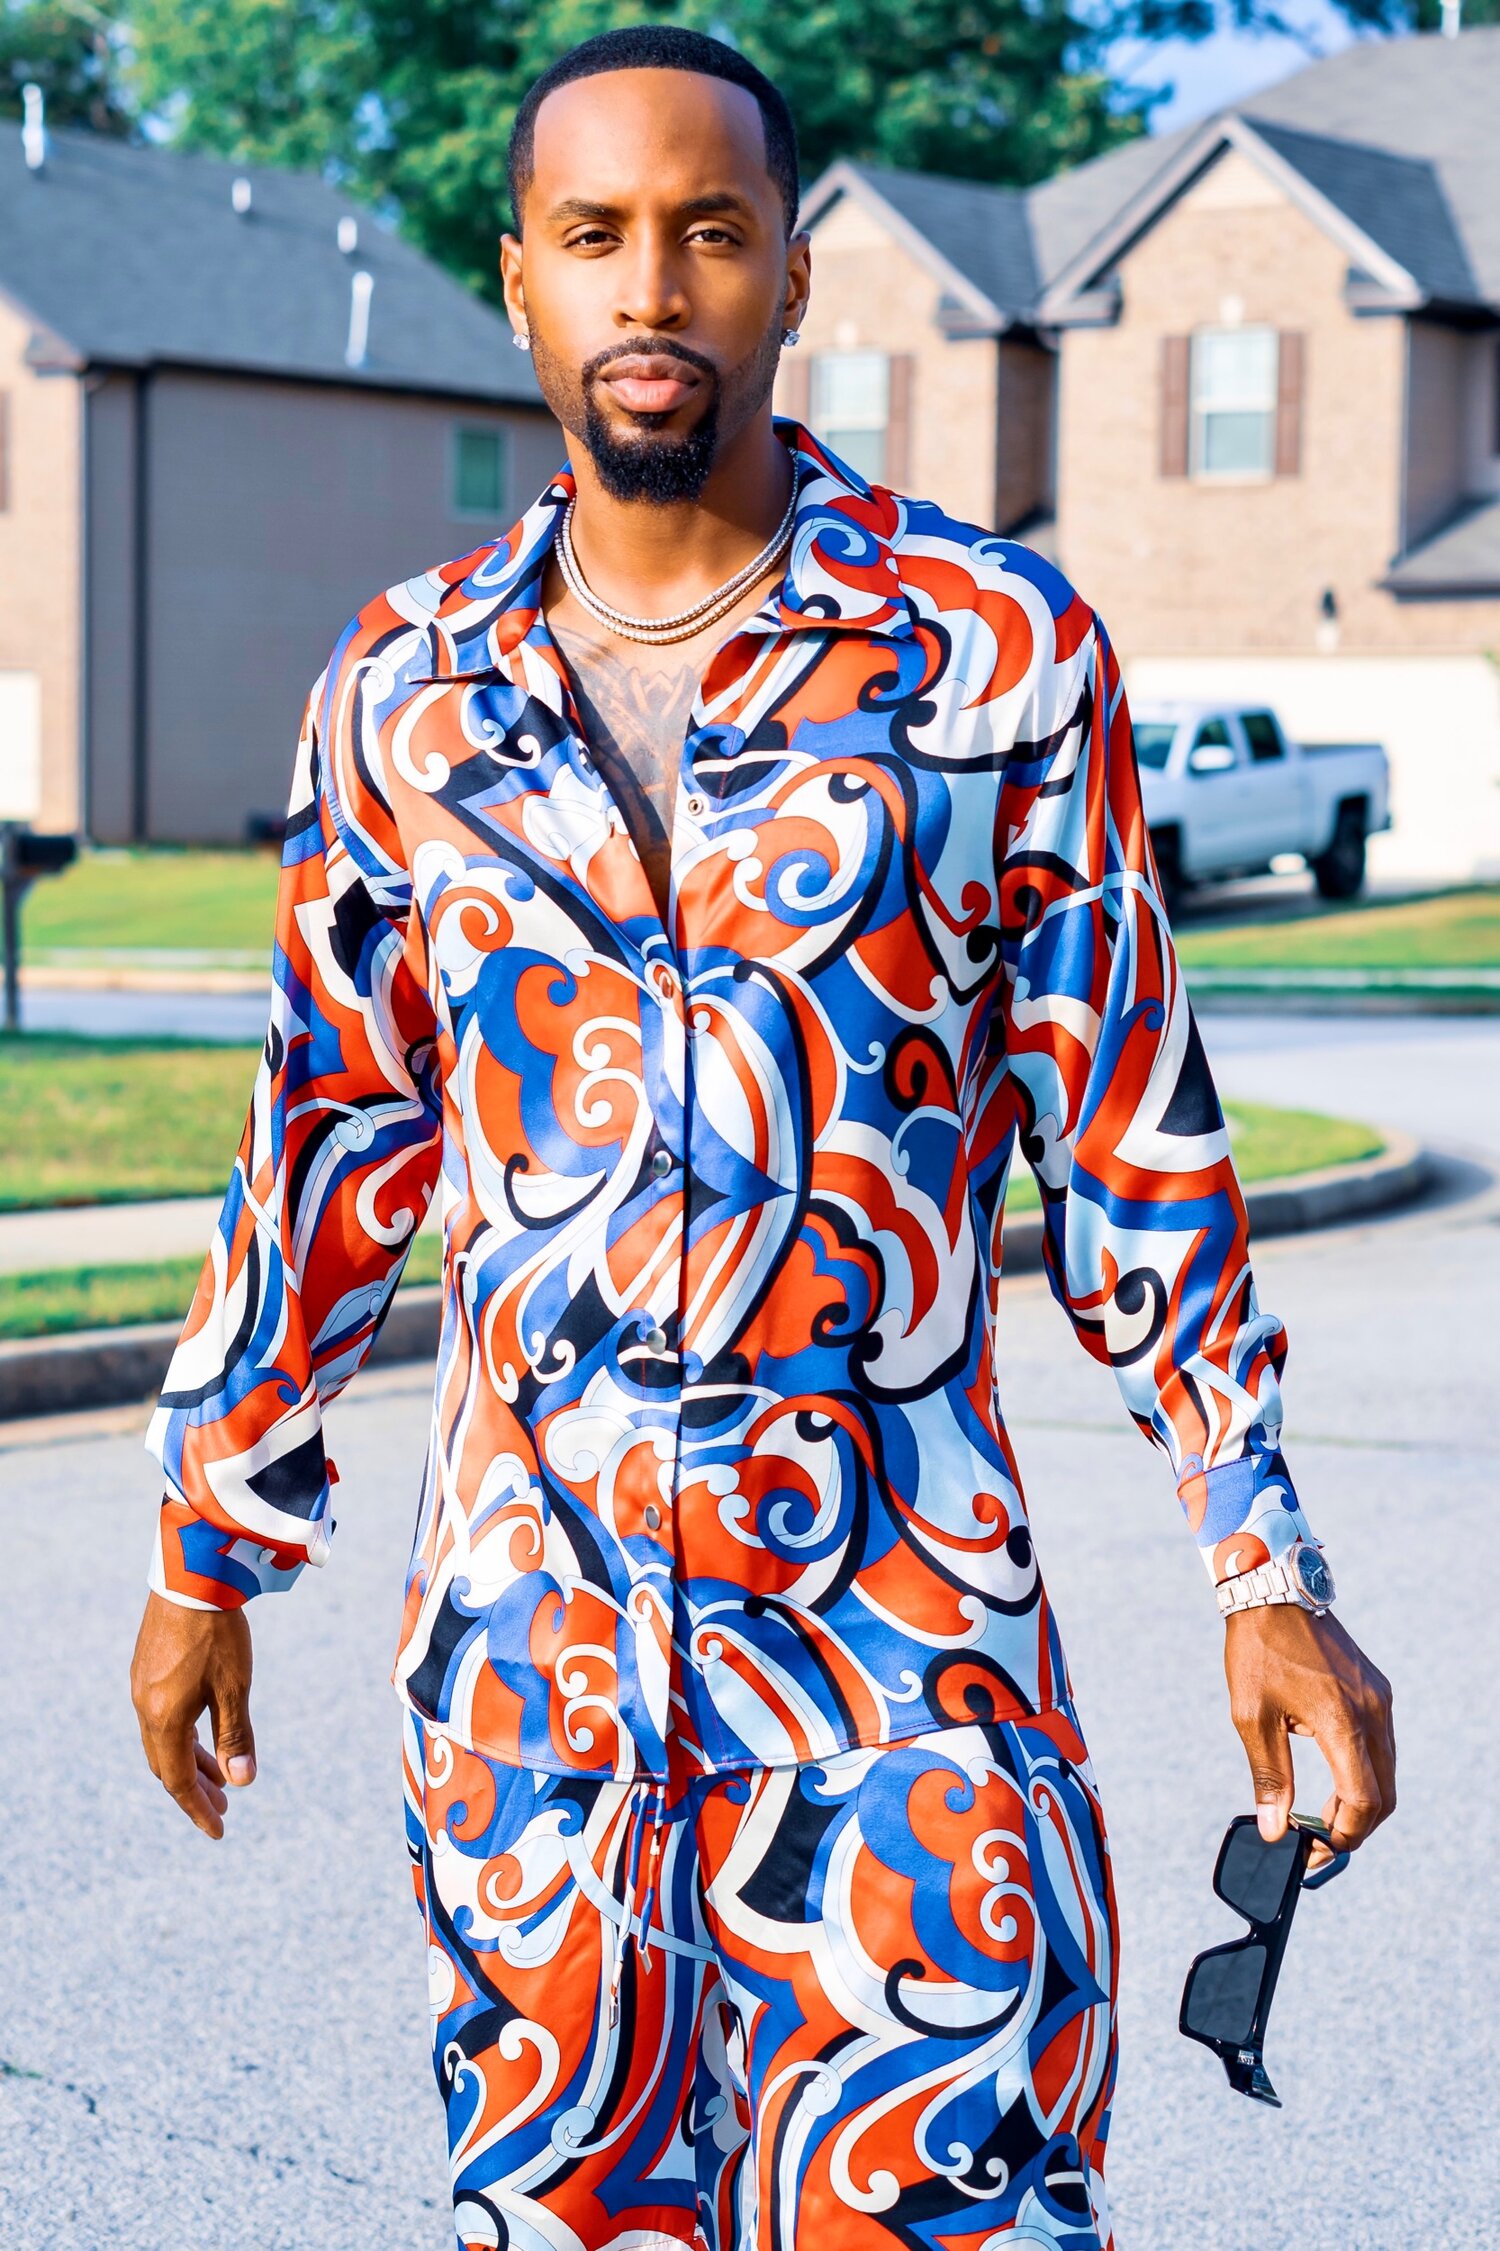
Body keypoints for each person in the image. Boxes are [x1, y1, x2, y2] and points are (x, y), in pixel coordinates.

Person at [129, 27, 1396, 2250]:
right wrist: (205, 1546)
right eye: (596, 235)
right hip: (529, 1719)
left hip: (907, 1699)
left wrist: (1263, 1566)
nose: (652, 288)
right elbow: (325, 1140)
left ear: (795, 275)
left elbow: (1132, 1142)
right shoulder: (399, 693)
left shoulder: (993, 656)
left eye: (710, 232)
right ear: (518, 278)